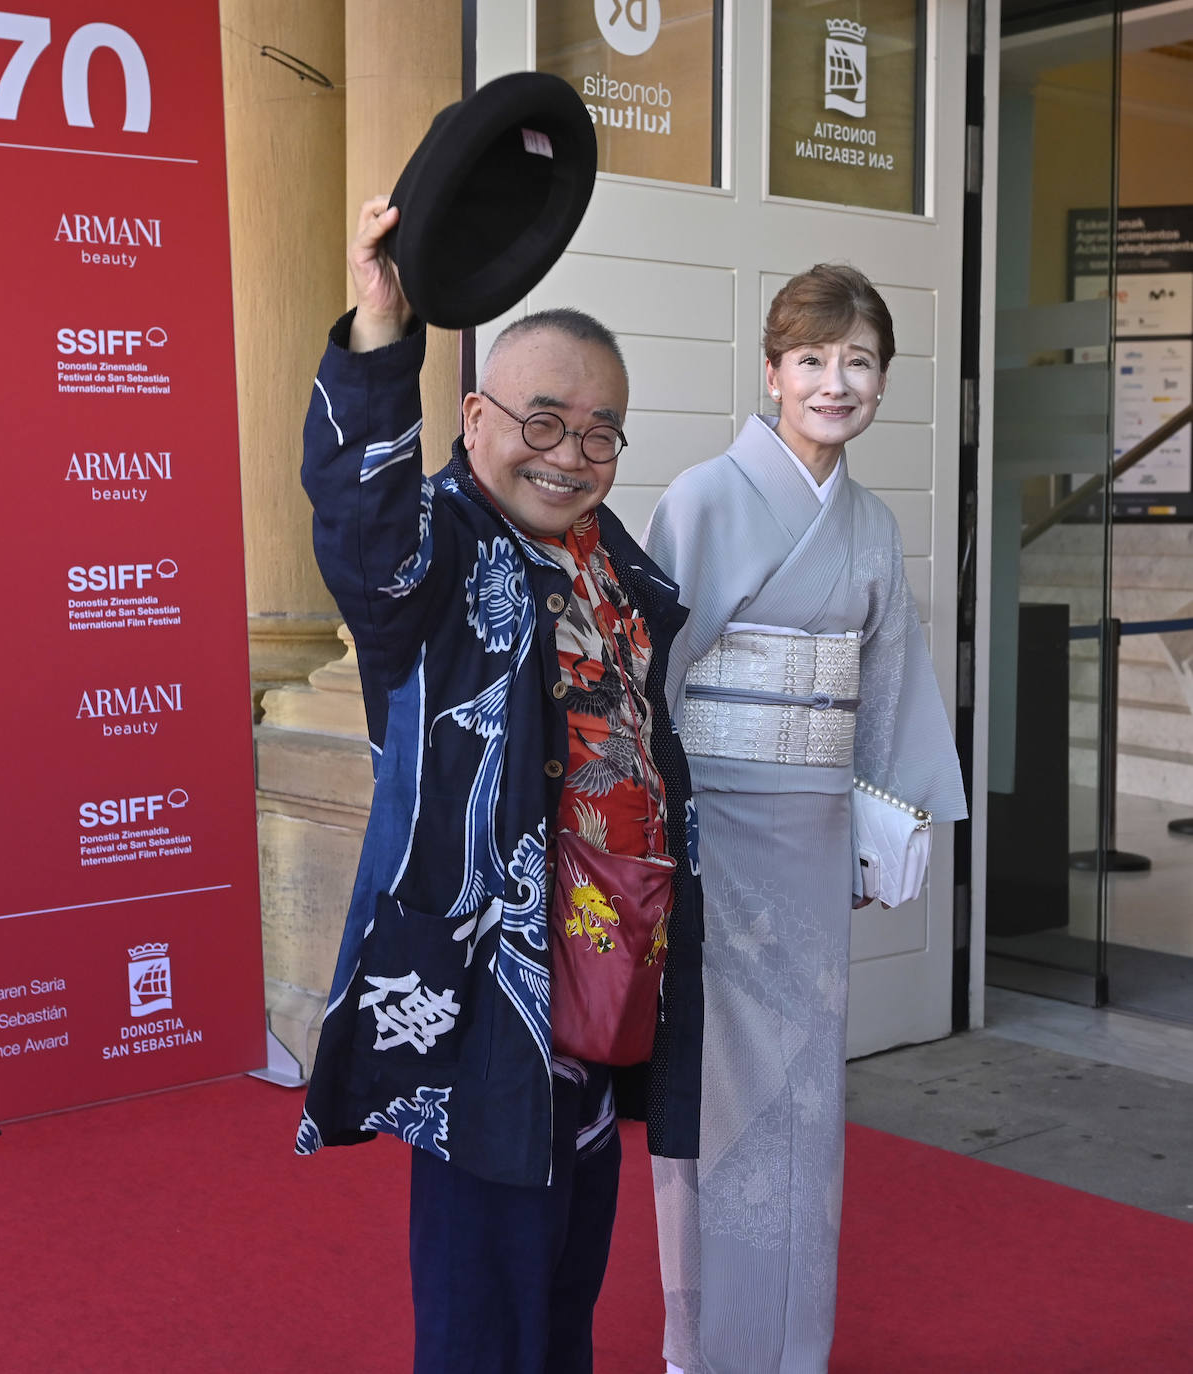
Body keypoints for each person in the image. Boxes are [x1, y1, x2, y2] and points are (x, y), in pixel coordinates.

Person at [294, 197, 703, 1374]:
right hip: (488, 981)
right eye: (542, 420)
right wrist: (381, 328)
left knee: (568, 1268)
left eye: (599, 432)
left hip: (606, 958)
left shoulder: (617, 566)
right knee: (485, 1293)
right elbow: (361, 531)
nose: (570, 455)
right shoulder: (438, 546)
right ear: (474, 420)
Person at [644, 264, 966, 1374]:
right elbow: (652, 682)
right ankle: (704, 1343)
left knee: (806, 1094)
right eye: (814, 360)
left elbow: (888, 682)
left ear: (882, 382)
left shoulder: (870, 526)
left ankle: (789, 1348)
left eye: (859, 362)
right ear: (773, 372)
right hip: (716, 834)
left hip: (816, 830)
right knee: (720, 1088)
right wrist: (657, 828)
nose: (836, 382)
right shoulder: (701, 499)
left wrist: (891, 805)